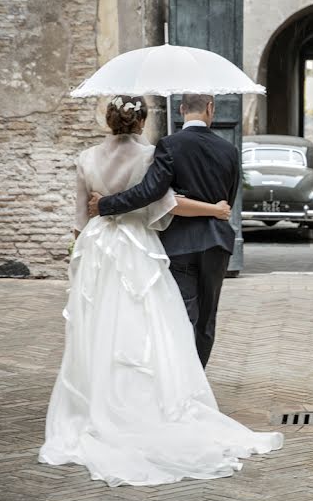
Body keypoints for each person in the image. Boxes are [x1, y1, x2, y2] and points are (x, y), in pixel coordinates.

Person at [39, 95, 282, 487]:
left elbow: (81, 218)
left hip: (102, 247)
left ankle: (106, 395)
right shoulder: (171, 152)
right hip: (161, 245)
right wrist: (217, 211)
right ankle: (183, 388)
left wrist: (92, 229)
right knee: (179, 320)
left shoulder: (93, 158)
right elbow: (161, 203)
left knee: (105, 323)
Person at [88, 94, 236, 369]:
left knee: (181, 314)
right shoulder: (229, 149)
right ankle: (198, 375)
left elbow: (150, 192)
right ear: (210, 108)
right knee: (206, 317)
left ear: (181, 110)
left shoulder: (169, 145)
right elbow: (229, 199)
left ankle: (184, 379)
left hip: (179, 243)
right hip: (217, 241)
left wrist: (106, 204)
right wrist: (215, 211)